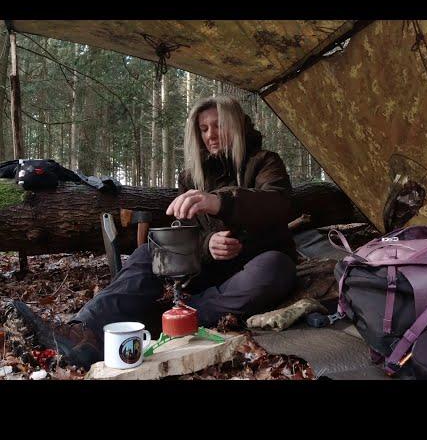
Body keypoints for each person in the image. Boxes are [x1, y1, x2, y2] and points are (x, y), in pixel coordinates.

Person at [12, 95, 298, 369]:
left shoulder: (265, 163)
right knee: (149, 252)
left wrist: (221, 201)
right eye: (203, 128)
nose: (211, 135)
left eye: (218, 125)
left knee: (275, 267)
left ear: (236, 125)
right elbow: (186, 235)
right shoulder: (190, 177)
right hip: (208, 271)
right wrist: (208, 244)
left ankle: (171, 317)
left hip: (256, 263)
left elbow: (279, 205)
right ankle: (82, 332)